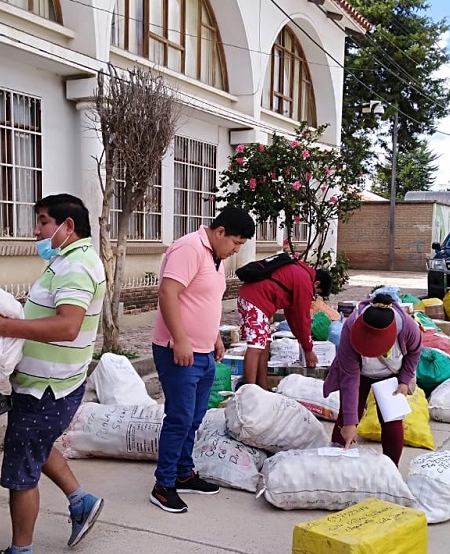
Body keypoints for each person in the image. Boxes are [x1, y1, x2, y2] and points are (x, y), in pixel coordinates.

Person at [0, 194, 106, 554]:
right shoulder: (64, 261)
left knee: (20, 473)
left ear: (68, 226)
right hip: (48, 384)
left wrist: (2, 328)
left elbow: (67, 327)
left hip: (47, 388)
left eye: (44, 222)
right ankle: (82, 502)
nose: (37, 230)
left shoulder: (76, 266)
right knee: (38, 448)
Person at [150, 206, 255, 513]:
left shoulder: (215, 256)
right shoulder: (189, 247)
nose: (236, 250)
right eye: (236, 242)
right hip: (178, 350)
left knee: (195, 418)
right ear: (219, 232)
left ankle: (184, 473)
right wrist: (180, 340)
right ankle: (163, 484)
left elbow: (203, 300)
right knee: (179, 418)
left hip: (203, 351)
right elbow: (168, 293)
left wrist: (214, 340)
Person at [322, 293, 422, 466]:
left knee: (392, 420)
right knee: (347, 417)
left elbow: (414, 352)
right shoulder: (351, 327)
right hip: (359, 373)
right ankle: (336, 464)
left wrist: (404, 380)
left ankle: (391, 470)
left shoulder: (407, 326)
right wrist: (350, 422)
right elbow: (350, 379)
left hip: (391, 375)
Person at [237, 261, 332, 389]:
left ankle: (262, 388)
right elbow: (303, 317)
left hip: (258, 302)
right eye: (316, 292)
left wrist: (301, 339)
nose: (313, 296)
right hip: (254, 300)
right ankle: (249, 392)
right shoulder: (304, 281)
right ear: (317, 283)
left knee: (265, 343)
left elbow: (293, 313)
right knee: (256, 346)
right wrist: (308, 349)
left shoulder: (301, 274)